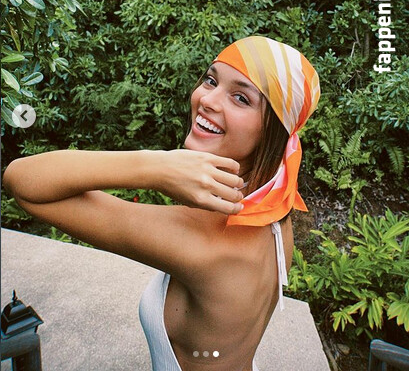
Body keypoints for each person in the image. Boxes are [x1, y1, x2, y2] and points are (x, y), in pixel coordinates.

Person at [3, 35, 320, 371]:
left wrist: (154, 166)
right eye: (211, 80)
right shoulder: (275, 212)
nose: (207, 99)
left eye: (241, 98)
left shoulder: (202, 243)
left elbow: (22, 181)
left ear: (273, 130)